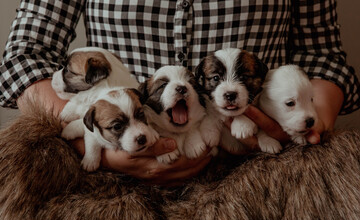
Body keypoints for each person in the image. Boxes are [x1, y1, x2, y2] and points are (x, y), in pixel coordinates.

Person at [0, 0, 358, 185]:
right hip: (109, 179)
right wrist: (100, 145)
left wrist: (305, 123)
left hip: (268, 168)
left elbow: (324, 58)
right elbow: (22, 57)